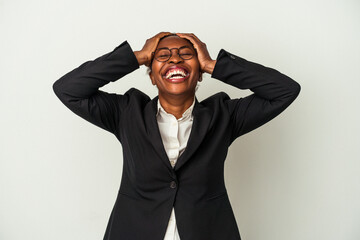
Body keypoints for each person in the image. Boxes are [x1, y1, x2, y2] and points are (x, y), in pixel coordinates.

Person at [53, 32, 301, 240]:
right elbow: (68, 89)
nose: (175, 59)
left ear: (200, 73)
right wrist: (137, 57)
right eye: (162, 56)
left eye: (186, 54)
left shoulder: (225, 115)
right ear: (151, 75)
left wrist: (214, 64)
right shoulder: (126, 113)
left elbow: (285, 90)